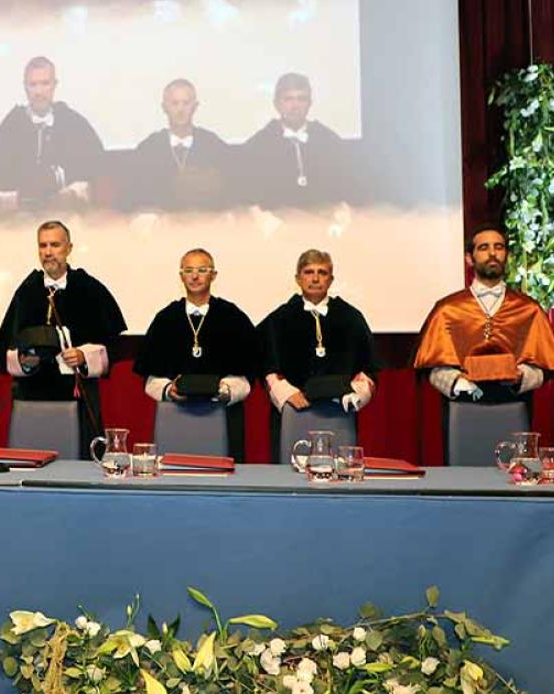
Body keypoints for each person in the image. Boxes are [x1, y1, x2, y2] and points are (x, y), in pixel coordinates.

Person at [0, 221, 127, 458]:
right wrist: (25, 361)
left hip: (76, 394)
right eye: (43, 245)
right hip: (32, 395)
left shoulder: (89, 289)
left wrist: (84, 356)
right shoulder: (27, 291)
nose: (48, 252)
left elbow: (113, 343)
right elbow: (8, 344)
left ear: (69, 248)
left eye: (55, 245)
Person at [133, 248, 257, 460]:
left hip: (224, 415)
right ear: (181, 276)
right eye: (188, 270)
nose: (195, 276)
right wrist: (168, 389)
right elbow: (151, 378)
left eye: (202, 269)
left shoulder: (232, 317)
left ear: (213, 275)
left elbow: (246, 376)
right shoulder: (166, 319)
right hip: (175, 417)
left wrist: (225, 390)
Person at [413, 226, 554, 402]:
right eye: (484, 247)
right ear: (469, 258)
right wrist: (457, 382)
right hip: (461, 408)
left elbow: (544, 367)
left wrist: (521, 377)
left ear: (507, 256)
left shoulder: (529, 310)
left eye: (499, 247)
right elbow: (432, 367)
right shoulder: (447, 310)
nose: (492, 253)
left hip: (514, 406)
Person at [259, 249, 379, 457]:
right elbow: (266, 365)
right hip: (294, 409)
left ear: (331, 280)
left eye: (322, 273)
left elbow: (368, 367)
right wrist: (287, 393)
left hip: (340, 411)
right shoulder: (279, 319)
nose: (315, 278)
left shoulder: (351, 317)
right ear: (298, 278)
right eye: (308, 272)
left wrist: (355, 394)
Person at [0, 57, 105, 211]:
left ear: (55, 85)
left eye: (45, 83)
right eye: (33, 85)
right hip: (20, 217)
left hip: (69, 215)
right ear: (25, 87)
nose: (39, 92)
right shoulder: (11, 126)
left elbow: (97, 168)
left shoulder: (73, 123)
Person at [240, 73, 346, 209]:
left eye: (301, 99)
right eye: (288, 99)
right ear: (277, 104)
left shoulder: (329, 142)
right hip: (279, 224)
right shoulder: (258, 146)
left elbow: (344, 190)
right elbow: (250, 199)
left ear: (310, 104)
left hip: (324, 223)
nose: (295, 105)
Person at [127, 79, 233, 211]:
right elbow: (132, 199)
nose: (180, 109)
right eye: (175, 103)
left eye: (186, 103)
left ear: (195, 107)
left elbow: (230, 194)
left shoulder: (213, 145)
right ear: (164, 107)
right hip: (163, 228)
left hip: (206, 225)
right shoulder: (148, 149)